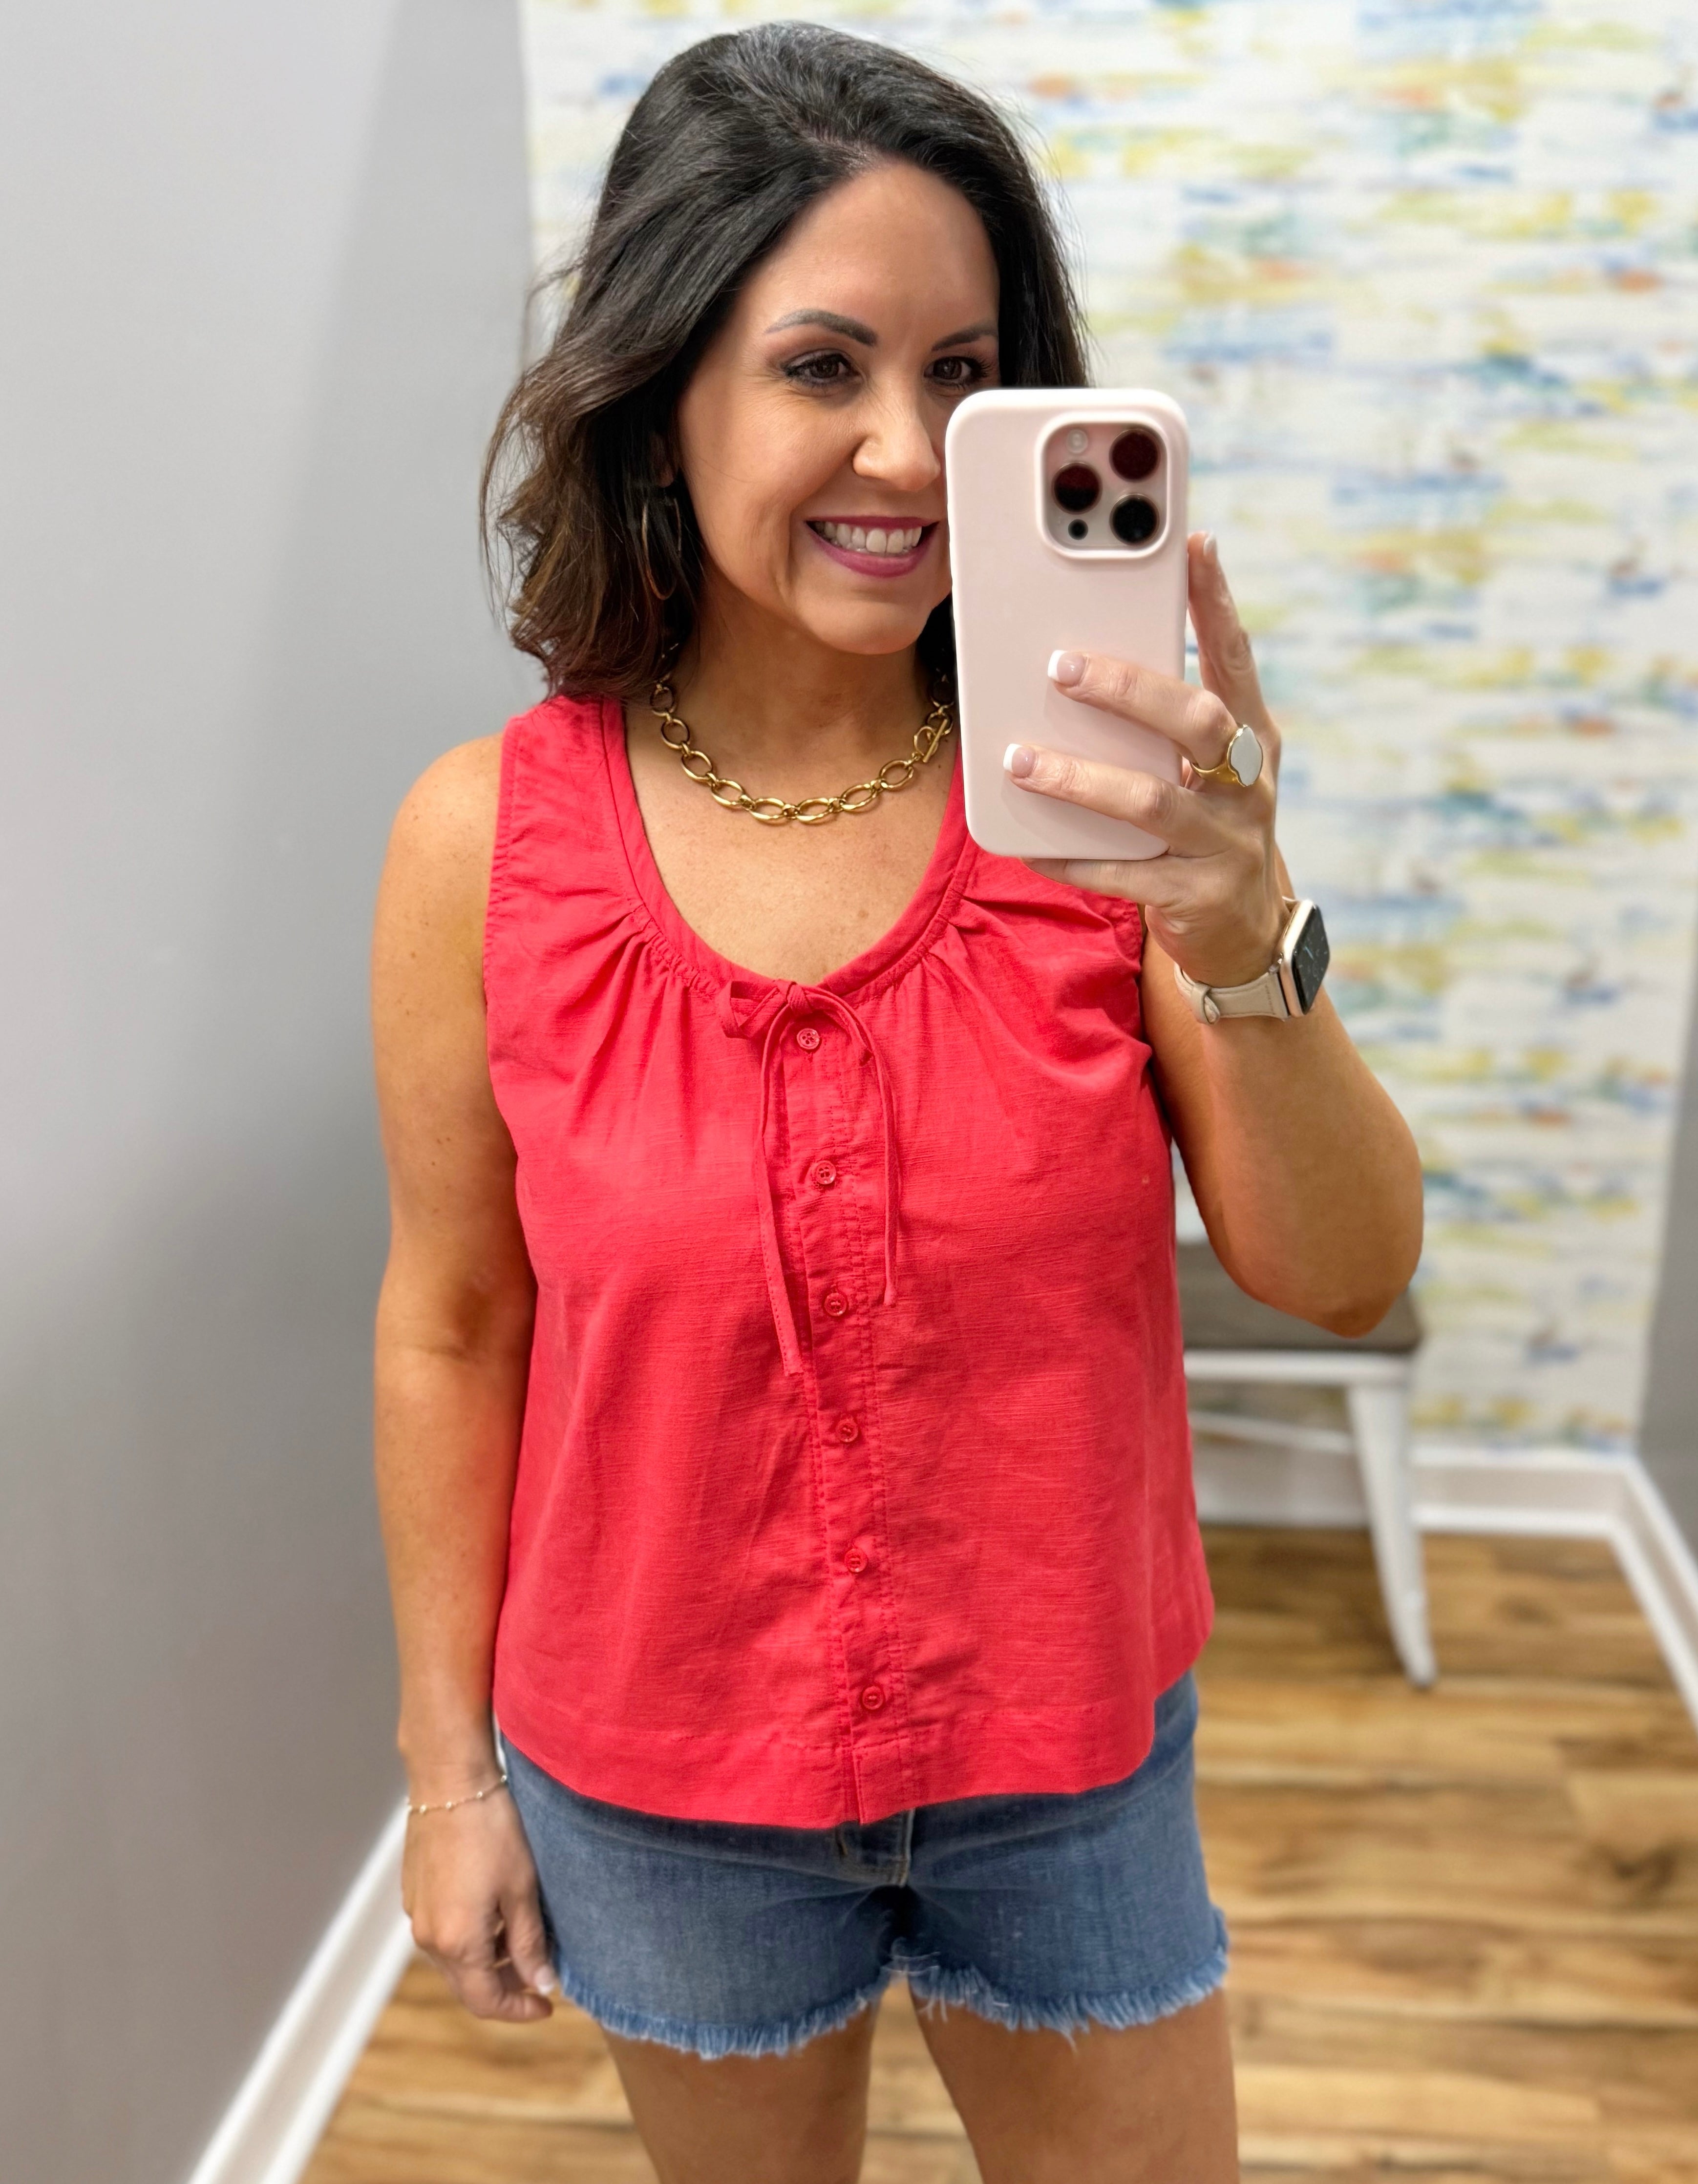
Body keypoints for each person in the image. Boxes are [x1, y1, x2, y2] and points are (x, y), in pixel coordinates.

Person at [370, 23, 1422, 2183]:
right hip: (655, 1772)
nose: (904, 445)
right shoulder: (481, 842)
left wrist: (1243, 920)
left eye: (966, 374)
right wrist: (445, 1773)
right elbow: (453, 1323)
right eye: (822, 364)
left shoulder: (1104, 819)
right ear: (664, 386)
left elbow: (1341, 1271)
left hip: (1064, 1756)